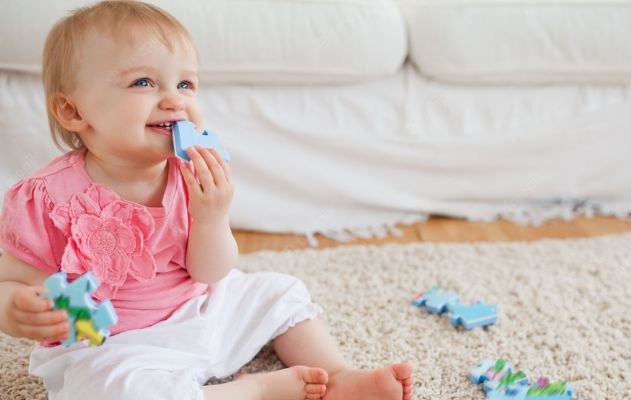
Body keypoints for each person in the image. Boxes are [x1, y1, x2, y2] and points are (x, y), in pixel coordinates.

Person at [0, 2, 413, 399]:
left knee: (279, 291)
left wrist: (212, 218)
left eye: (185, 84)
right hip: (116, 347)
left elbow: (211, 272)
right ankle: (253, 390)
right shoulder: (48, 197)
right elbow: (10, 280)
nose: (174, 99)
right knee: (117, 392)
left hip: (201, 310)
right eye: (143, 83)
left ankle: (338, 377)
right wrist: (15, 307)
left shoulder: (190, 173)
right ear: (73, 111)